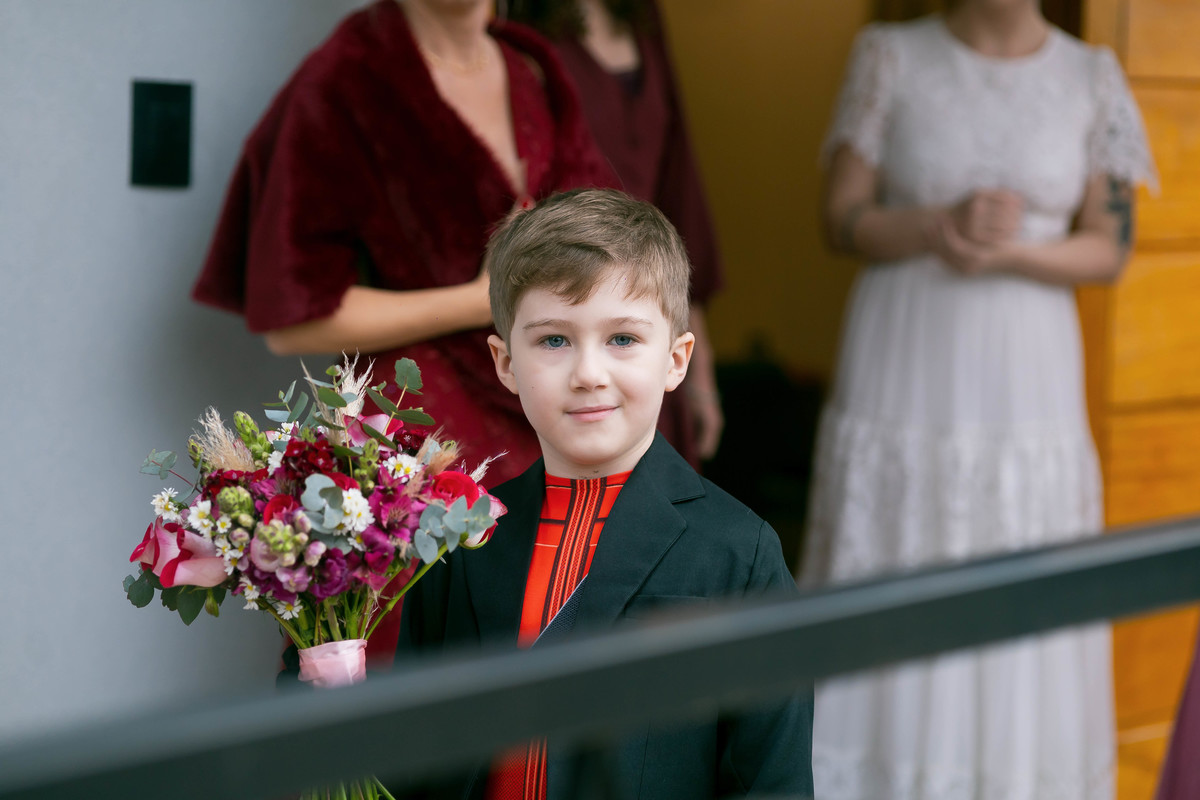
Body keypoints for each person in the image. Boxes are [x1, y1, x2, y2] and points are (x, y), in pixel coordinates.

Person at [191, 0, 617, 666]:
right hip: (417, 436)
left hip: (549, 424)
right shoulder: (347, 80)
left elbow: (608, 246)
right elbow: (293, 319)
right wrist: (475, 301)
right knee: (414, 678)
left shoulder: (533, 69)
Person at [799, 0, 1155, 797]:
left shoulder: (1090, 75)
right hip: (906, 347)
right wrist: (936, 225)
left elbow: (1111, 245)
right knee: (901, 539)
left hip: (1027, 360)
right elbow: (841, 215)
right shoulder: (890, 54)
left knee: (1017, 541)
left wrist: (1012, 254)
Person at [398, 188, 813, 799]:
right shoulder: (460, 534)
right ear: (505, 363)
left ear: (676, 360)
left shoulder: (738, 553)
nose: (589, 372)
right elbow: (414, 746)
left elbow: (770, 783)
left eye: (622, 339)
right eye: (554, 341)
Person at [508, 0, 725, 467]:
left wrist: (700, 375)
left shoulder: (643, 19)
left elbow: (678, 191)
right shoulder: (520, 28)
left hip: (647, 316)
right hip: (568, 317)